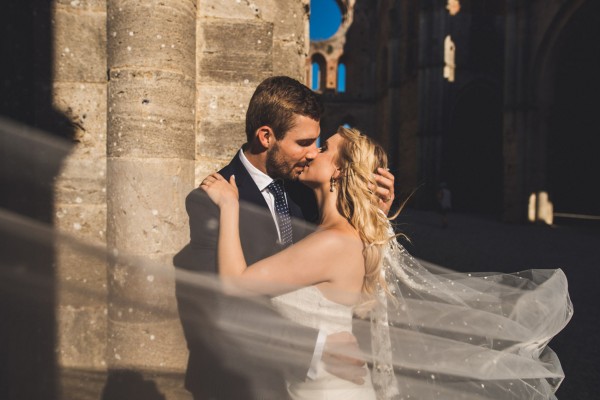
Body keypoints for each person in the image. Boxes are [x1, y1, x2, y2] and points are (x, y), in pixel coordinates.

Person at [202, 126, 573, 399]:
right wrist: (377, 214)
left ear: (339, 171)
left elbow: (236, 284)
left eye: (324, 147)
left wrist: (230, 207)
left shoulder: (332, 242)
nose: (312, 152)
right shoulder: (343, 233)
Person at [174, 76, 396, 400]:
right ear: (266, 136)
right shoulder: (211, 200)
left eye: (319, 145)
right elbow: (220, 306)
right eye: (304, 143)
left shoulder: (308, 196)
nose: (311, 154)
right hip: (243, 384)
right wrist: (318, 346)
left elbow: (348, 266)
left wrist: (376, 212)